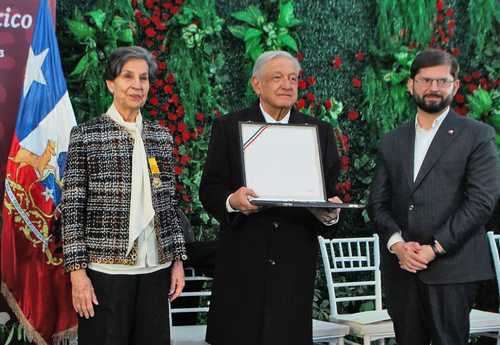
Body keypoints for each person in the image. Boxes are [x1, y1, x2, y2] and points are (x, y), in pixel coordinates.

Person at [199, 50, 342, 345]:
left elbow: (329, 194)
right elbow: (209, 189)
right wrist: (232, 201)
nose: (287, 85)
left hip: (293, 266)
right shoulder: (229, 128)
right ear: (256, 84)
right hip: (242, 263)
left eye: (293, 78)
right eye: (277, 77)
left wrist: (330, 213)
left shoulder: (319, 132)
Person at [368, 48, 500, 345]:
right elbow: (377, 203)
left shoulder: (478, 136)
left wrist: (435, 247)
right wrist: (397, 245)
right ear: (411, 84)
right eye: (426, 80)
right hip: (402, 269)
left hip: (453, 268)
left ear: (455, 85)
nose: (434, 88)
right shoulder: (392, 141)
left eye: (442, 81)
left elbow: (482, 201)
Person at [62, 46, 187, 345]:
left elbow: (168, 204)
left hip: (156, 269)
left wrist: (178, 260)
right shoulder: (86, 135)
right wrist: (77, 274)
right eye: (128, 76)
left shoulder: (160, 136)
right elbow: (72, 208)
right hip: (105, 273)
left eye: (143, 78)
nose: (137, 85)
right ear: (110, 83)